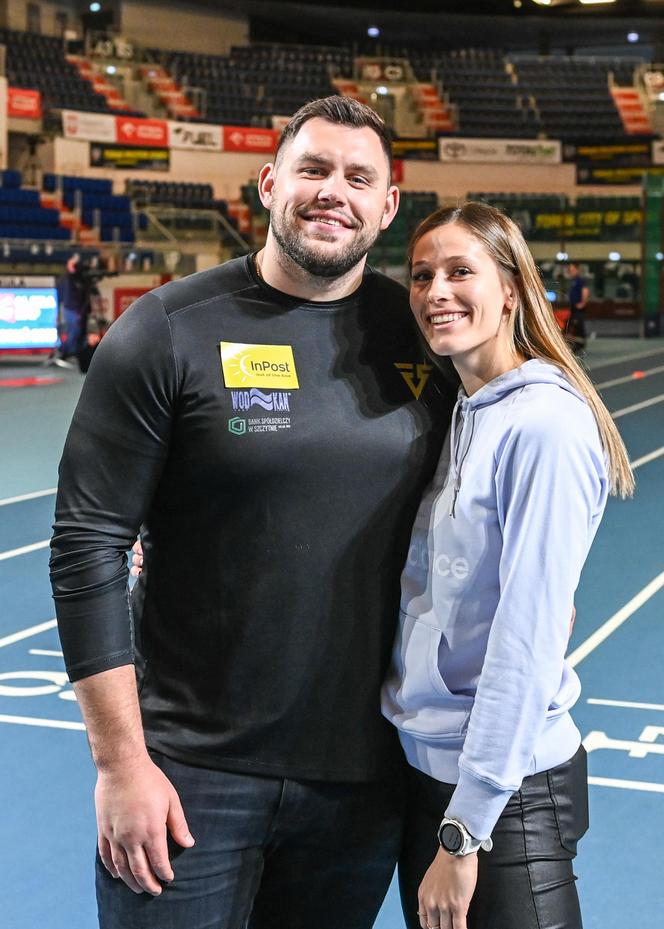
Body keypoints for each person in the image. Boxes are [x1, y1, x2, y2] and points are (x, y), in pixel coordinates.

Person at [49, 96, 451, 929]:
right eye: (312, 169)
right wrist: (121, 763)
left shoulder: (420, 337)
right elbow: (87, 546)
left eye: (357, 177)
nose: (332, 191)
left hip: (359, 786)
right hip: (188, 780)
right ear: (270, 185)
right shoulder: (163, 331)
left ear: (387, 206)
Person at [382, 202, 634, 929]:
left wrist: (465, 830)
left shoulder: (546, 425)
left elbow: (524, 642)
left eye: (462, 271)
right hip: (434, 778)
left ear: (512, 290)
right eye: (422, 275)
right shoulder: (467, 407)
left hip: (503, 798)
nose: (437, 292)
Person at [567, 262, 590, 353]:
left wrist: (583, 303)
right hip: (573, 307)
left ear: (577, 270)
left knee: (578, 325)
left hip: (578, 308)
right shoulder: (573, 281)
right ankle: (576, 344)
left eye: (572, 270)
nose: (570, 272)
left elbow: (585, 291)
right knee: (574, 325)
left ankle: (580, 345)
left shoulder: (579, 280)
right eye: (569, 270)